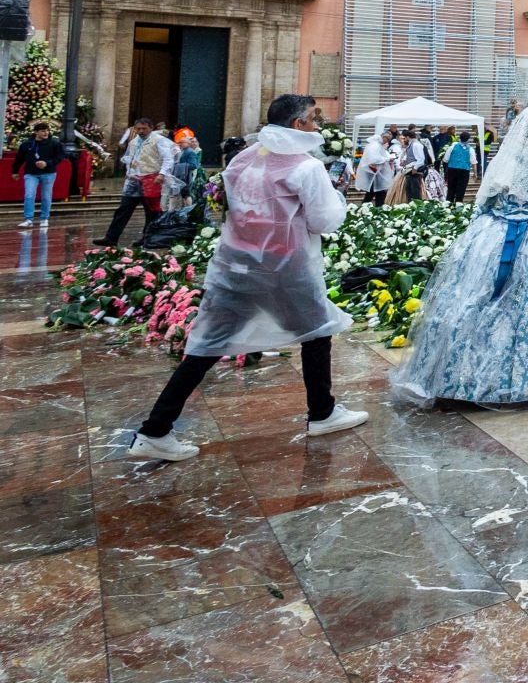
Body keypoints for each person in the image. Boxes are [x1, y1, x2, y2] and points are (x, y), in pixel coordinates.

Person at [130, 95, 366, 460]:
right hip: (285, 267)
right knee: (317, 333)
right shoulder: (306, 167)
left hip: (237, 264)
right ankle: (322, 413)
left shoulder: (243, 157)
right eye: (313, 118)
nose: (319, 125)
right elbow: (324, 221)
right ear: (297, 125)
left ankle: (155, 429)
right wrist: (339, 200)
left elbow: (225, 205)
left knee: (206, 346)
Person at [392, 105, 528, 406]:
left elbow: (482, 205)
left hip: (494, 235)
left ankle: (465, 377)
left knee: (480, 302)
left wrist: (473, 243)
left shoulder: (503, 162)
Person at [101, 117, 162, 245]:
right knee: (123, 209)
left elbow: (169, 158)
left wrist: (162, 174)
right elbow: (128, 156)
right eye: (138, 128)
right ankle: (111, 238)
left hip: (150, 181)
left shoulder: (160, 141)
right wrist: (129, 170)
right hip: (134, 181)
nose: (141, 131)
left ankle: (148, 238)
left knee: (151, 212)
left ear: (151, 128)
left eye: (144, 128)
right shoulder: (134, 142)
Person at [12, 120, 65, 230]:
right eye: (42, 131)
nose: (46, 133)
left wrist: (47, 163)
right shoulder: (26, 145)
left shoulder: (54, 143)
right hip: (31, 173)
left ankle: (44, 218)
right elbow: (19, 158)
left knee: (46, 196)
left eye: (47, 131)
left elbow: (60, 157)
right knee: (29, 195)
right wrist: (15, 171)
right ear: (36, 132)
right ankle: (28, 219)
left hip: (48, 173)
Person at [354, 131, 394, 207]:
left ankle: (371, 209)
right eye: (387, 139)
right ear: (383, 136)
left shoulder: (377, 144)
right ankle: (374, 209)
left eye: (389, 140)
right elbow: (374, 159)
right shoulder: (375, 145)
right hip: (373, 174)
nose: (387, 141)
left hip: (376, 174)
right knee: (375, 194)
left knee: (374, 194)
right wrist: (387, 159)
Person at [442, 131, 475, 204]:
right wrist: (475, 173)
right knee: (461, 188)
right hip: (464, 170)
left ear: (459, 138)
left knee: (451, 187)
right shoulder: (470, 149)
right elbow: (473, 162)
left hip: (452, 169)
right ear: (468, 139)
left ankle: (448, 204)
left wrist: (446, 169)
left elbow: (445, 159)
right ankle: (458, 203)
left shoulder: (452, 146)